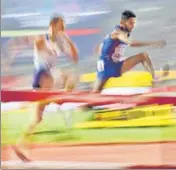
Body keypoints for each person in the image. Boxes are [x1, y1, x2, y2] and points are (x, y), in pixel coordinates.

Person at [12, 15, 79, 162]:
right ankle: (60, 99)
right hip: (42, 76)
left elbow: (75, 58)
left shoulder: (59, 43)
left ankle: (20, 144)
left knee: (37, 118)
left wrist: (67, 39)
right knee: (67, 75)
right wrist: (10, 54)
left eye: (64, 27)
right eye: (61, 26)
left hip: (49, 79)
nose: (63, 29)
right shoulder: (42, 38)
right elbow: (29, 42)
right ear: (53, 25)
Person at [93, 10, 168, 92]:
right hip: (108, 65)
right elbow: (131, 43)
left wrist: (115, 56)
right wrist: (154, 43)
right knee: (96, 92)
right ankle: (155, 80)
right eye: (130, 23)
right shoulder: (118, 33)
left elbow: (101, 47)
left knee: (143, 56)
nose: (133, 26)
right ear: (123, 22)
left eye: (134, 23)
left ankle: (154, 80)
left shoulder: (120, 32)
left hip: (110, 65)